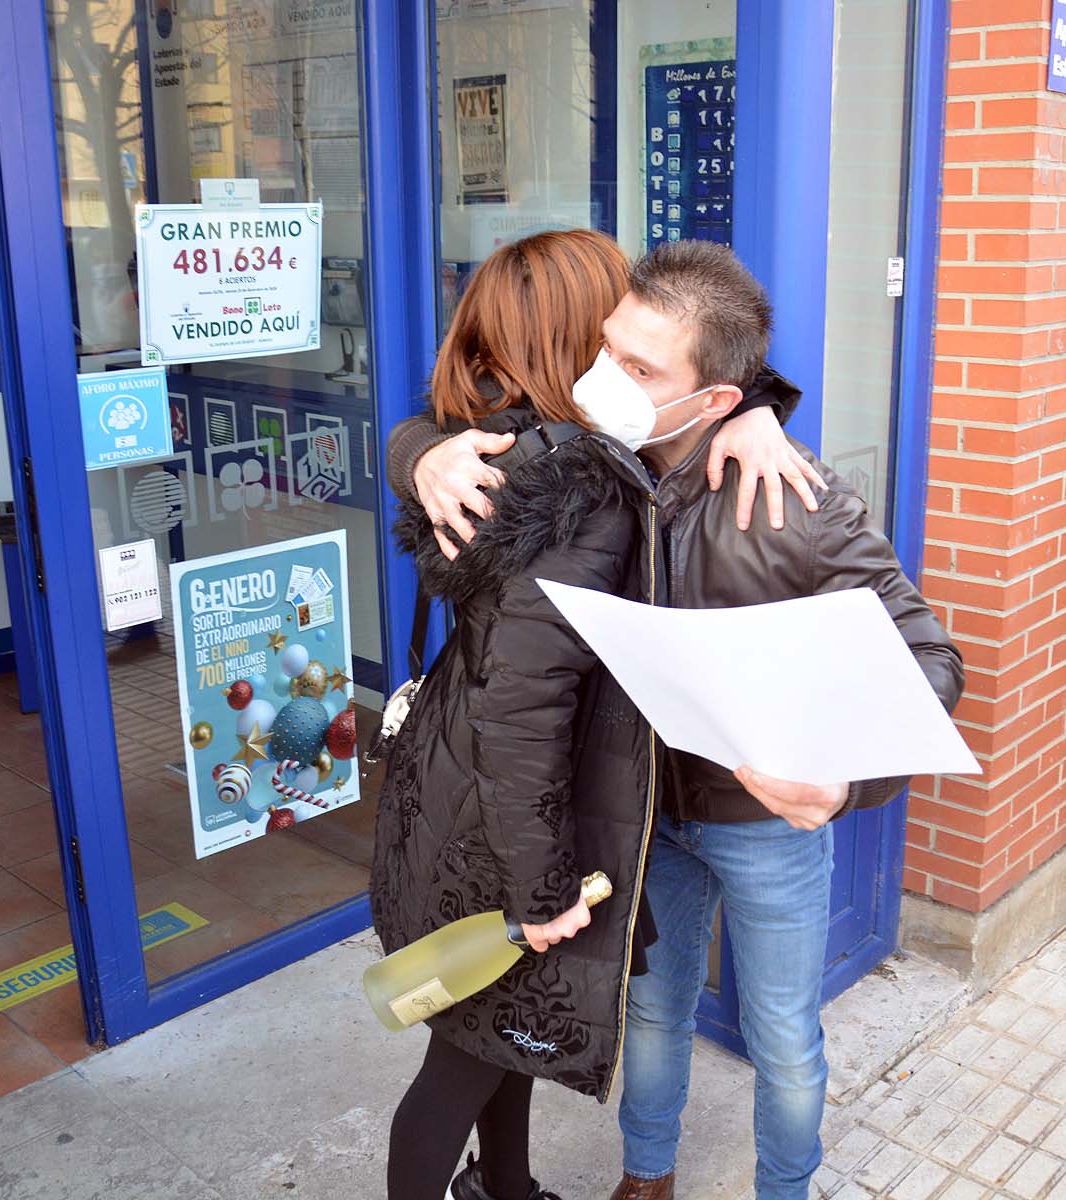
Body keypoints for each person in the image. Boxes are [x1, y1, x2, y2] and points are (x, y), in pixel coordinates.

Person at [389, 240, 965, 1200]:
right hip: (645, 818)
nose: (606, 379)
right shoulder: (590, 466)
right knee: (653, 1015)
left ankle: (784, 1188)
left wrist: (846, 782)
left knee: (783, 1038)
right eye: (608, 350)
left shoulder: (790, 498)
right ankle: (644, 1179)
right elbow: (448, 420)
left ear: (713, 403)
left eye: (642, 370)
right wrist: (417, 454)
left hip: (761, 829)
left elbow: (933, 666)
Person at [369, 229, 656, 1200]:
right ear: (580, 333)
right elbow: (527, 715)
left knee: (494, 1025)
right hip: (503, 814)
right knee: (461, 1062)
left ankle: (511, 1186)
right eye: (620, 319)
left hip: (458, 786)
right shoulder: (574, 488)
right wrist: (542, 894)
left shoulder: (495, 447)